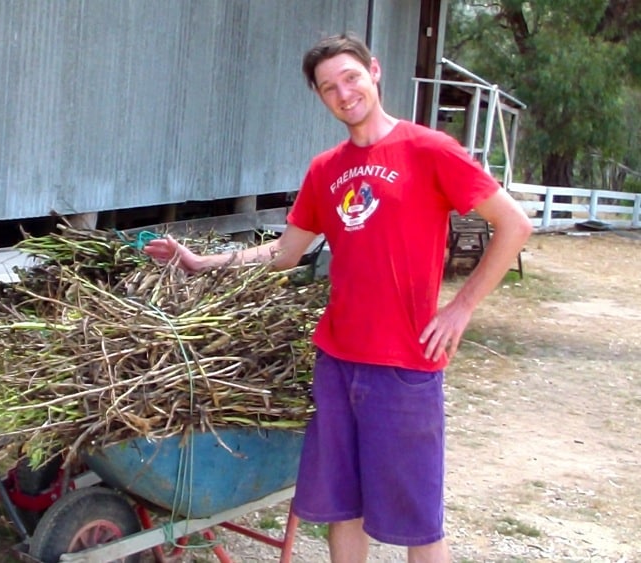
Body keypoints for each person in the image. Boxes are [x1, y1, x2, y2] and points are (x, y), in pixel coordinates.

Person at [144, 32, 532, 562]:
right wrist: (200, 262)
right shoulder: (326, 169)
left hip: (404, 366)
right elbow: (284, 253)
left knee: (418, 521)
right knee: (341, 511)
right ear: (321, 97)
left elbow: (514, 224)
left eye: (350, 77)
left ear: (374, 72)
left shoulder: (429, 149)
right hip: (337, 362)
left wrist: (461, 307)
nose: (343, 92)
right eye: (328, 87)